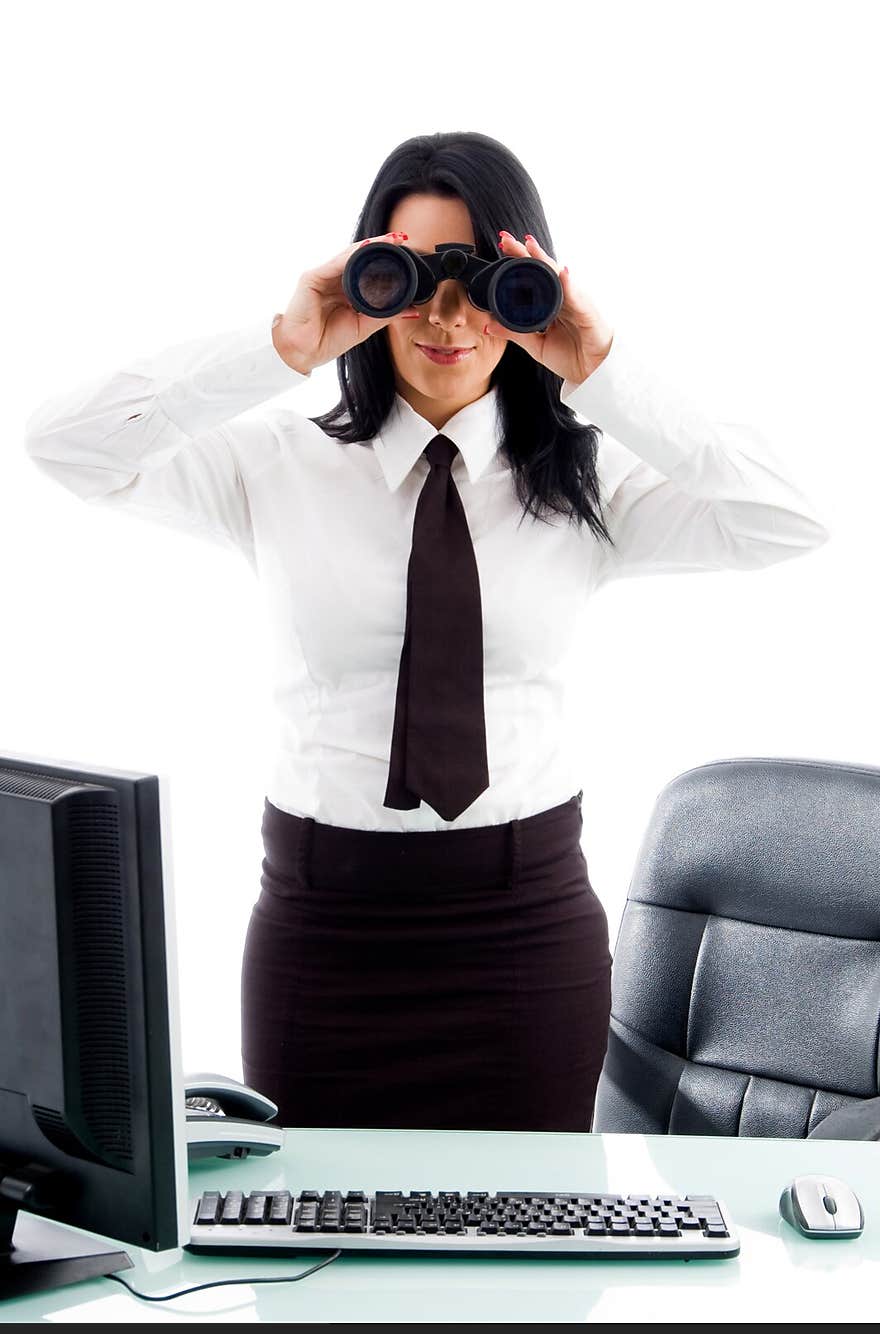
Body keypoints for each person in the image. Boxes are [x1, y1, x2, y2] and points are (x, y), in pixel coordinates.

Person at [22, 131, 830, 1133]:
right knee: (311, 1258)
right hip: (322, 930)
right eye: (410, 278)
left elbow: (792, 515)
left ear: (527, 289)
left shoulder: (588, 484)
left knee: (525, 1262)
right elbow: (64, 445)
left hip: (520, 931)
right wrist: (279, 345)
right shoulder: (271, 468)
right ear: (365, 279)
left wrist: (600, 367)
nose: (447, 317)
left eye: (482, 281)